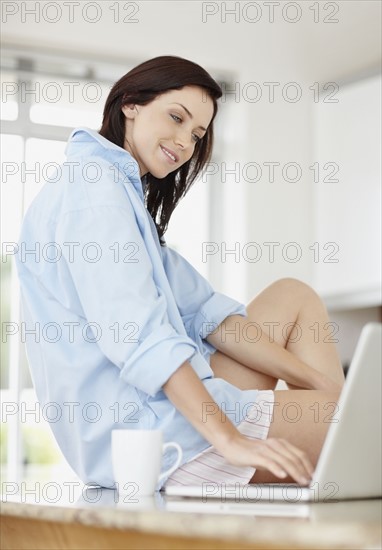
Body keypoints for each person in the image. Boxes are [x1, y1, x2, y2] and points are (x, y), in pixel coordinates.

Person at [16, 55, 344, 491]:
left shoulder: (117, 191)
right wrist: (230, 439)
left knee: (293, 296)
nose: (185, 143)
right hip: (153, 438)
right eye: (176, 117)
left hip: (160, 417)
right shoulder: (95, 193)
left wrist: (326, 389)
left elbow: (206, 314)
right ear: (130, 103)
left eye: (196, 134)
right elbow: (143, 339)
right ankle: (332, 434)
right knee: (366, 431)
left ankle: (339, 411)